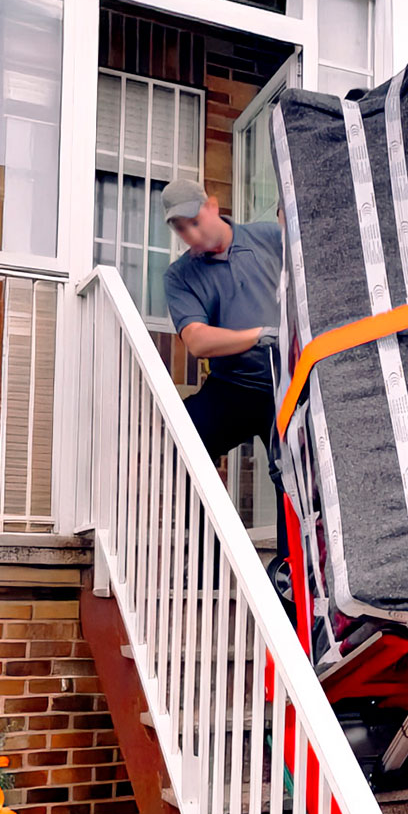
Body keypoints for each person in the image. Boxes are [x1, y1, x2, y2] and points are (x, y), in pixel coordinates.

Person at [161, 177, 287, 556]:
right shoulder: (180, 276)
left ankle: (290, 574)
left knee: (292, 473)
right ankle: (210, 561)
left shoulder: (270, 239)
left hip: (287, 382)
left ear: (213, 206)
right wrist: (258, 334)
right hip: (234, 385)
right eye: (181, 229)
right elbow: (197, 341)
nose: (191, 235)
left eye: (194, 222)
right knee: (183, 440)